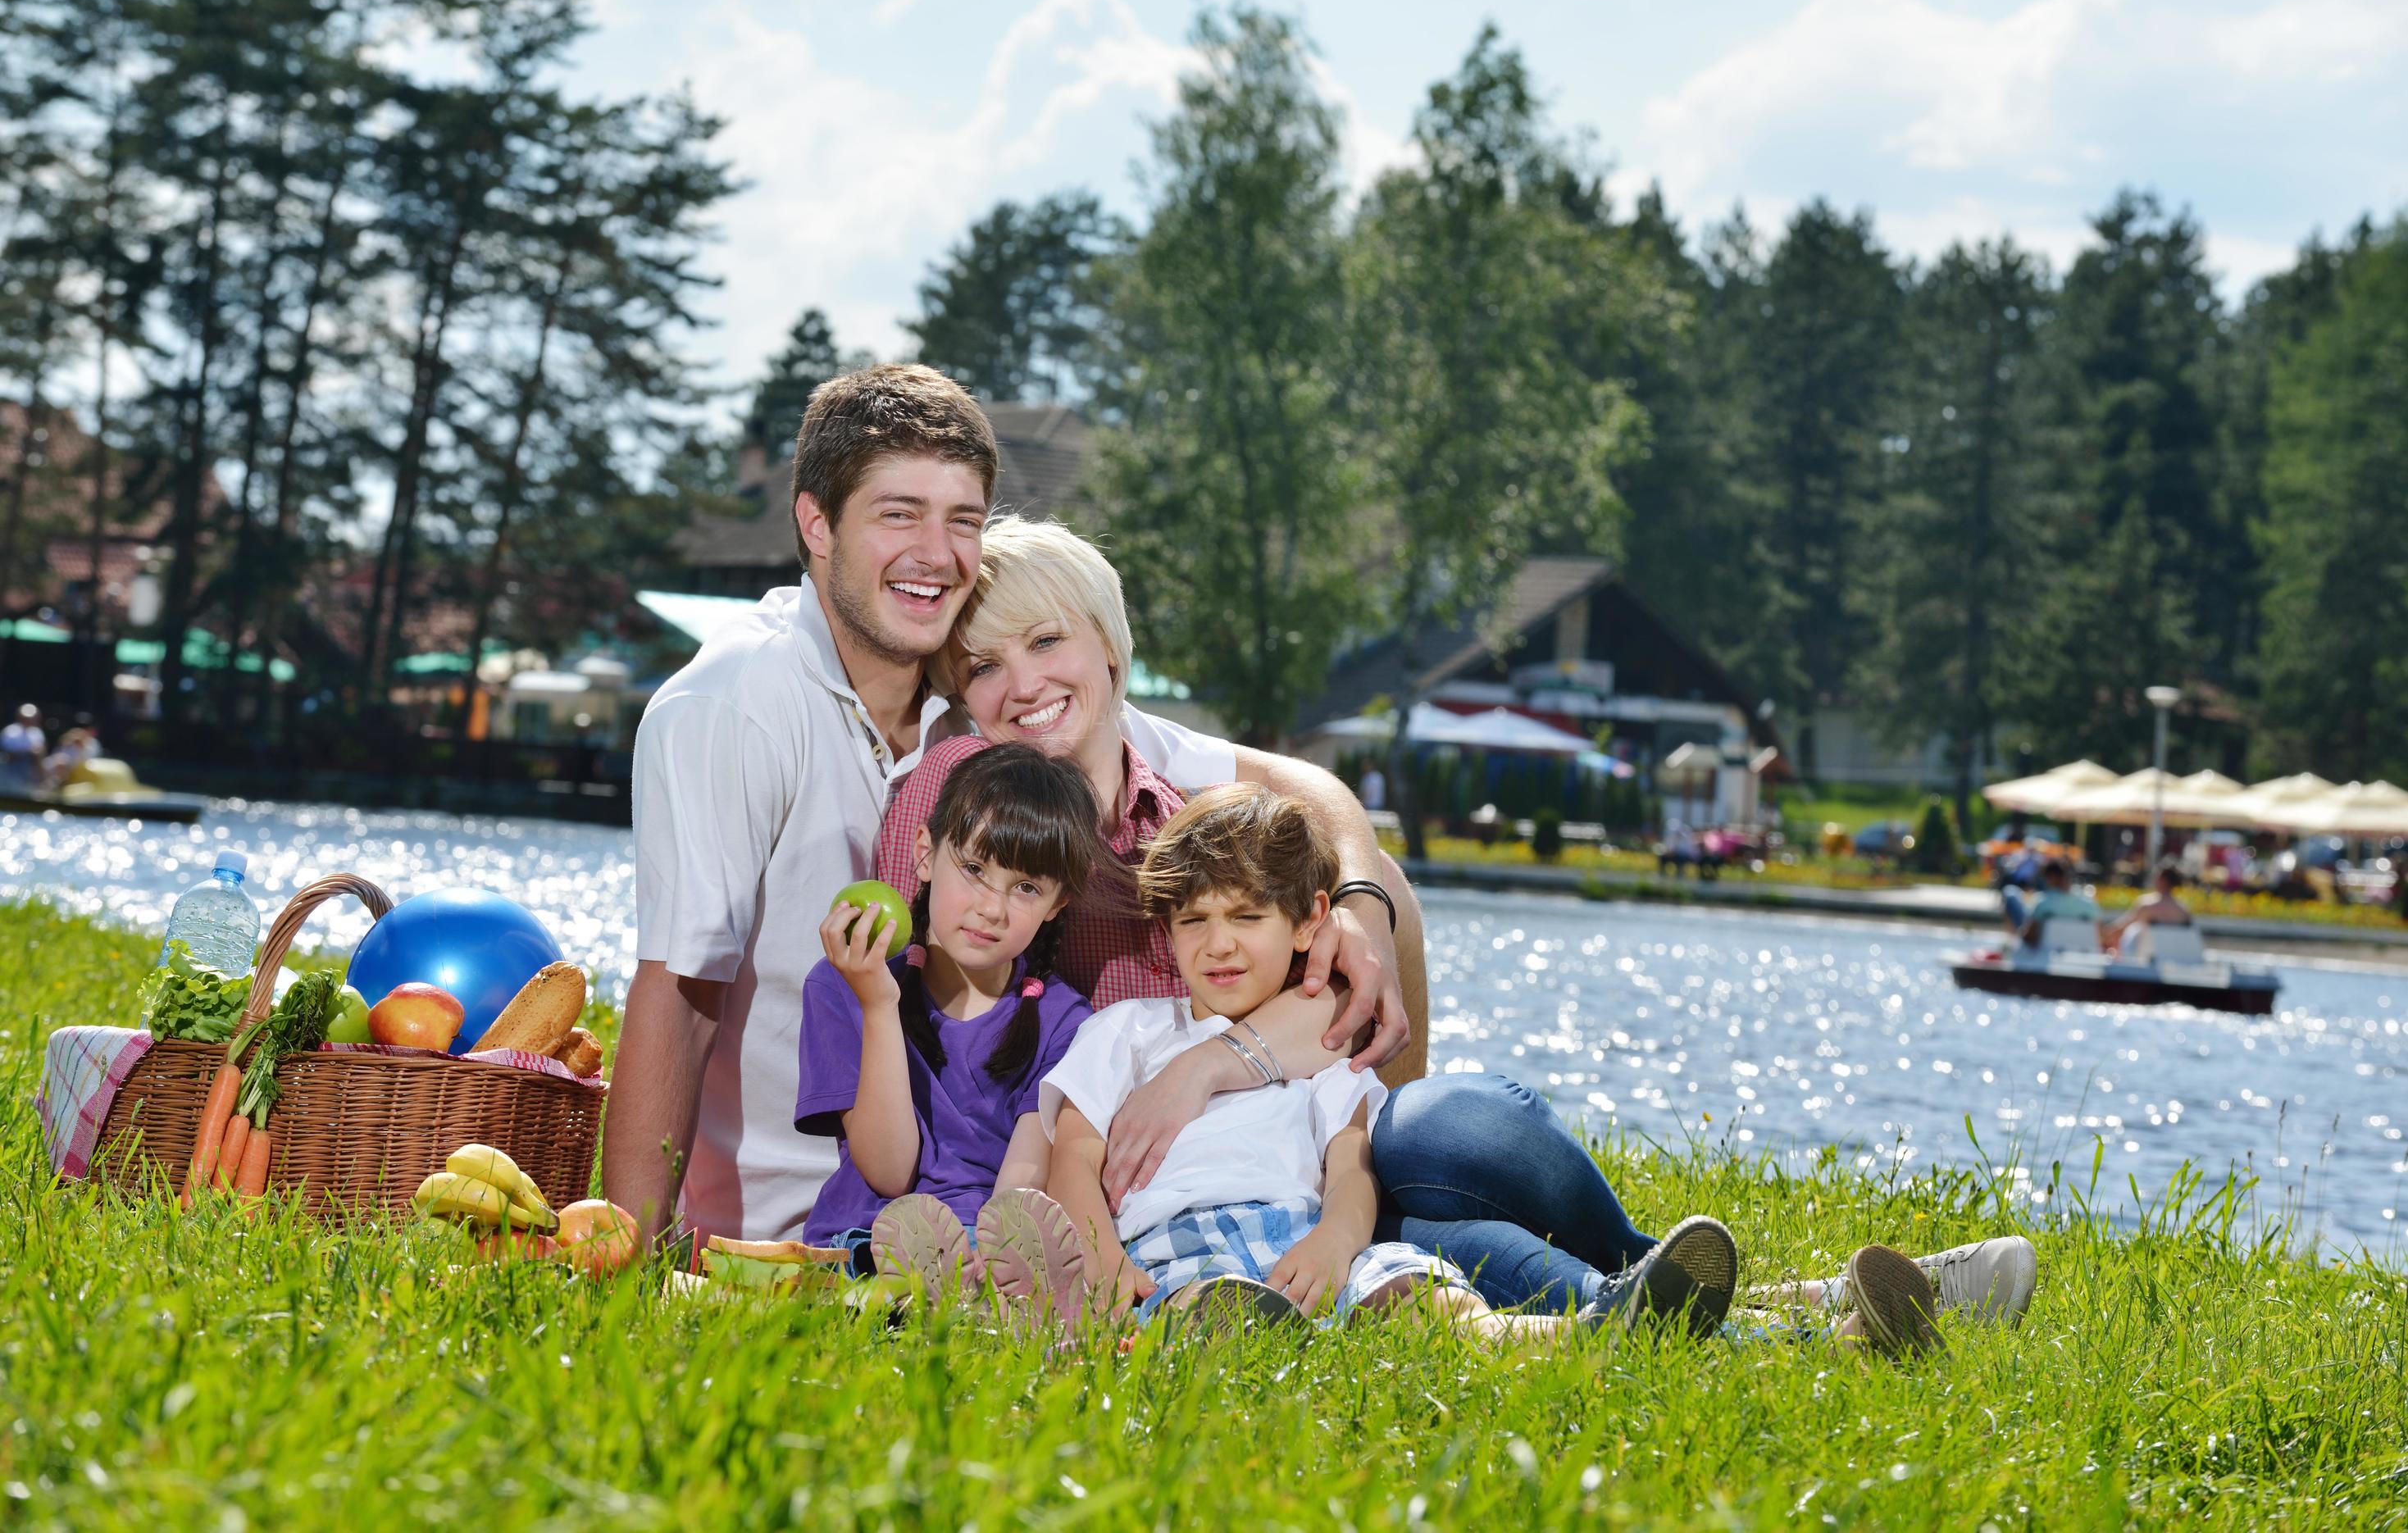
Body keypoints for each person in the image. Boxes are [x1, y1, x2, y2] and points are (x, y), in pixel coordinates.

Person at [889, 517, 2039, 1335]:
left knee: (1433, 1135)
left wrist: (1338, 927)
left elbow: (1338, 828)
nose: (1022, 682)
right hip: (1193, 1209)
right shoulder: (979, 822)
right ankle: (1789, 1309)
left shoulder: (1197, 794)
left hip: (1323, 1147)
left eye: (1048, 643)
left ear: (1106, 647)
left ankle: (1674, 1279)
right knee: (1453, 1265)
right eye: (984, 665)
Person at [606, 365, 1413, 1248]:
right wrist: (633, 1243)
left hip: (1095, 1177)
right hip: (827, 1197)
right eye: (897, 512)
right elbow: (680, 986)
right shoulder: (753, 705)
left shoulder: (1013, 719)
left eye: (962, 520)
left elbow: (1308, 788)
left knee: (1447, 1116)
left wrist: (1365, 907)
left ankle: (1404, 1202)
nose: (936, 551)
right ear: (815, 523)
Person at [1041, 783, 1776, 1344]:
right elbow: (1073, 1153)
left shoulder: (1325, 1047)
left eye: (1245, 917)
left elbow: (1351, 1163)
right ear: (1165, 931)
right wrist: (1097, 1251)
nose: (1218, 945)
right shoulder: (1127, 1032)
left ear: (1307, 921)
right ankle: (1228, 1337)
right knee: (1199, 1300)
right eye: (1192, 922)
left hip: (1298, 1233)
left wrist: (1335, 1238)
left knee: (1418, 1288)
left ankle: (1560, 1337)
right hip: (1176, 1235)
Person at [796, 744, 1103, 1296]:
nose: (992, 908)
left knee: (1019, 1243)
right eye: (975, 870)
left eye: (1026, 888)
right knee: (894, 1247)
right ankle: (929, 1288)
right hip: (863, 1237)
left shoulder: (1066, 1022)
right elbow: (889, 1172)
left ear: (1058, 904)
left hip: (988, 1252)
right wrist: (878, 1003)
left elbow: (1022, 1183)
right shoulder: (841, 986)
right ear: (924, 855)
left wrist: (991, 1253)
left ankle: (984, 1298)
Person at [2016, 858, 2106, 949]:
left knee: (2011, 894)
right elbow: (2099, 936)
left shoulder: (2043, 903)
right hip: (2084, 953)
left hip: (2044, 953)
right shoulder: (2089, 904)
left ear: (2051, 877)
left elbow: (2029, 936)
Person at [2105, 866, 2194, 956]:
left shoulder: (2147, 905)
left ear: (2162, 880)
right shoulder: (2184, 910)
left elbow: (2122, 926)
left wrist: (2106, 934)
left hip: (2148, 956)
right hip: (2175, 956)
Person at [1, 704, 45, 794]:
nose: (29, 721)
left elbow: (40, 752)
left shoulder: (37, 733)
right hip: (10, 771)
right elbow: (8, 755)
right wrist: (29, 752)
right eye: (26, 718)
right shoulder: (10, 731)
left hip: (29, 772)